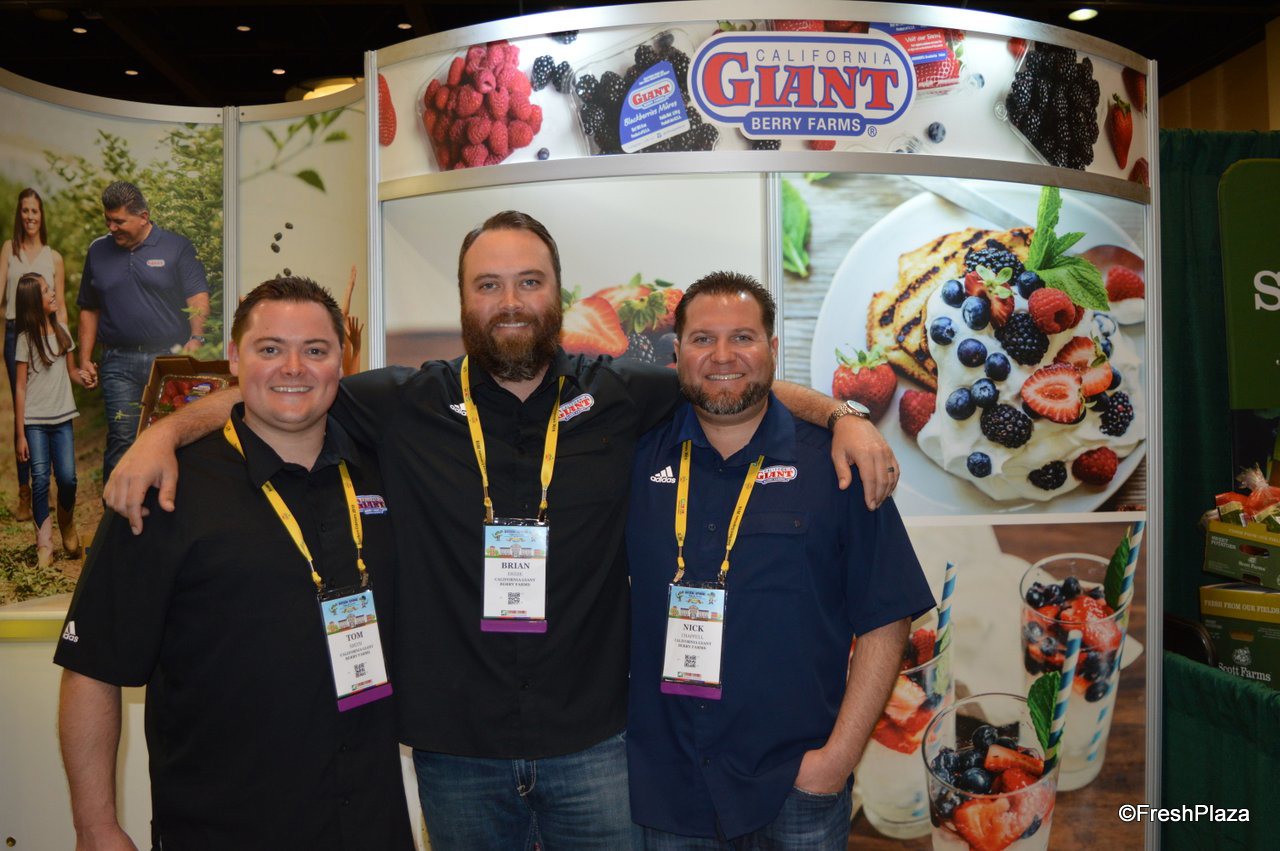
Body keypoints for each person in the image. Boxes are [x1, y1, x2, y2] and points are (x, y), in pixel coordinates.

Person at [103, 211, 899, 850]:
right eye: (488, 284)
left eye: (529, 281)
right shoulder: (404, 403)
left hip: (595, 746)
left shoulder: (620, 393)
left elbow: (727, 377)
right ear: (464, 300)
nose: (510, 300)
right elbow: (284, 389)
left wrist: (844, 416)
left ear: (557, 294)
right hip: (457, 751)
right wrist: (162, 433)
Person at [55, 277, 413, 850]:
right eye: (269, 348)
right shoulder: (164, 489)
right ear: (234, 358)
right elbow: (91, 667)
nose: (293, 367)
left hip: (369, 825)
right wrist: (95, 827)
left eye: (315, 349)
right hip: (222, 827)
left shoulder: (384, 472)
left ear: (341, 361)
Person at [625, 272, 934, 849]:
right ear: (676, 352)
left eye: (742, 337)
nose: (722, 356)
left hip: (796, 787)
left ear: (771, 348)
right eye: (702, 339)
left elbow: (887, 616)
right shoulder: (635, 455)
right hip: (667, 787)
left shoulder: (837, 466)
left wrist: (836, 761)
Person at [77, 180, 210, 484]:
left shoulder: (177, 247)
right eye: (108, 220)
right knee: (122, 439)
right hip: (117, 363)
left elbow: (197, 296)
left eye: (119, 221)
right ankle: (117, 511)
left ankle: (165, 507)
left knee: (171, 437)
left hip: (167, 361)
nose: (112, 227)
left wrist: (197, 338)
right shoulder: (98, 251)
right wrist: (84, 358)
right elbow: (89, 308)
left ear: (143, 217)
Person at [13, 272, 91, 567]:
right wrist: (20, 433)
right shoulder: (24, 340)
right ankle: (44, 543)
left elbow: (72, 372)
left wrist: (85, 379)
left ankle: (66, 523)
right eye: (46, 291)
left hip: (62, 419)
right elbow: (20, 387)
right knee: (41, 480)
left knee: (68, 478)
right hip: (34, 421)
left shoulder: (62, 331)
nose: (53, 294)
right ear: (34, 302)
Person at [0, 188, 67, 520]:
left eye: (35, 211)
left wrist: (64, 343)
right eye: (25, 210)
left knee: (50, 405)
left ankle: (47, 482)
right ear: (19, 214)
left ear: (42, 215)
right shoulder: (8, 250)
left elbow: (61, 306)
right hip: (17, 334)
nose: (29, 216)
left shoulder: (53, 258)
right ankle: (26, 490)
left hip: (48, 335)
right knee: (23, 408)